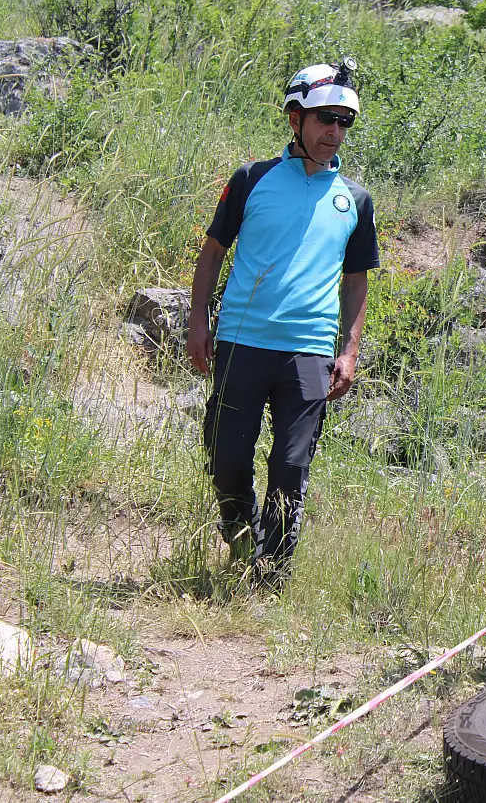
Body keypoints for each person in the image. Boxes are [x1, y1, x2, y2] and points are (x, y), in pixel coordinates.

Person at [187, 58, 380, 582]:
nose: (335, 132)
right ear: (295, 119)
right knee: (226, 457)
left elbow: (357, 279)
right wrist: (198, 321)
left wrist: (349, 350)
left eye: (344, 122)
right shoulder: (251, 180)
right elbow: (212, 254)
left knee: (290, 469)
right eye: (325, 120)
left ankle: (272, 576)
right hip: (242, 341)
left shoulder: (355, 201)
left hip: (310, 351)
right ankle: (243, 537)